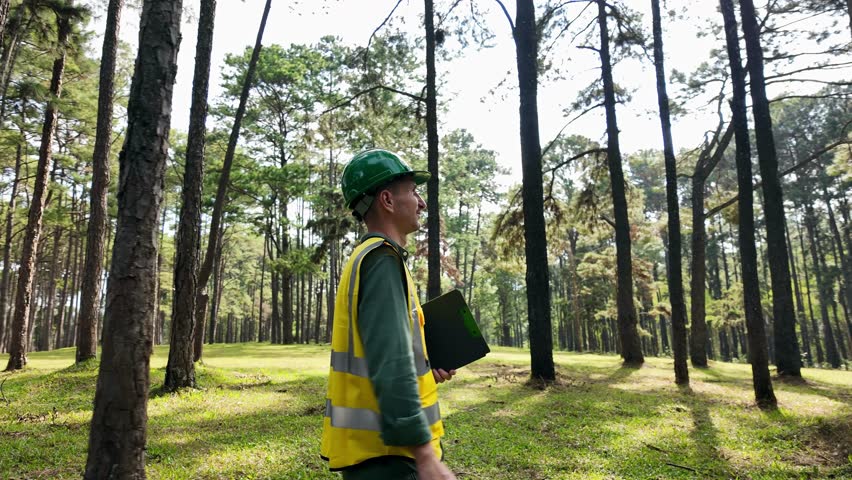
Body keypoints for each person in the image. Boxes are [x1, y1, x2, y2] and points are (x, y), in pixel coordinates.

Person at [321, 149, 458, 480]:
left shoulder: (370, 258)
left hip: (376, 456)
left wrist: (425, 366)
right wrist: (424, 454)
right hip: (390, 462)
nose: (421, 203)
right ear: (387, 199)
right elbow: (391, 361)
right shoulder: (382, 261)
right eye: (413, 191)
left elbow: (389, 352)